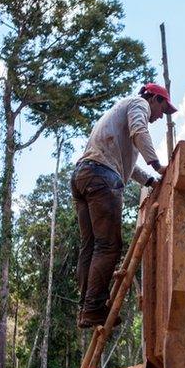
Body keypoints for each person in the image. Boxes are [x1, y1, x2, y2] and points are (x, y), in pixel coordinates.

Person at [72, 83, 175, 328]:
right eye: (163, 108)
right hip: (101, 178)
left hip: (83, 175)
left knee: (91, 246)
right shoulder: (138, 104)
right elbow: (140, 131)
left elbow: (126, 165)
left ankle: (86, 308)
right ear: (153, 99)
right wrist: (158, 165)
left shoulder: (119, 116)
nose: (161, 116)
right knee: (108, 245)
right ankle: (94, 306)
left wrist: (150, 180)